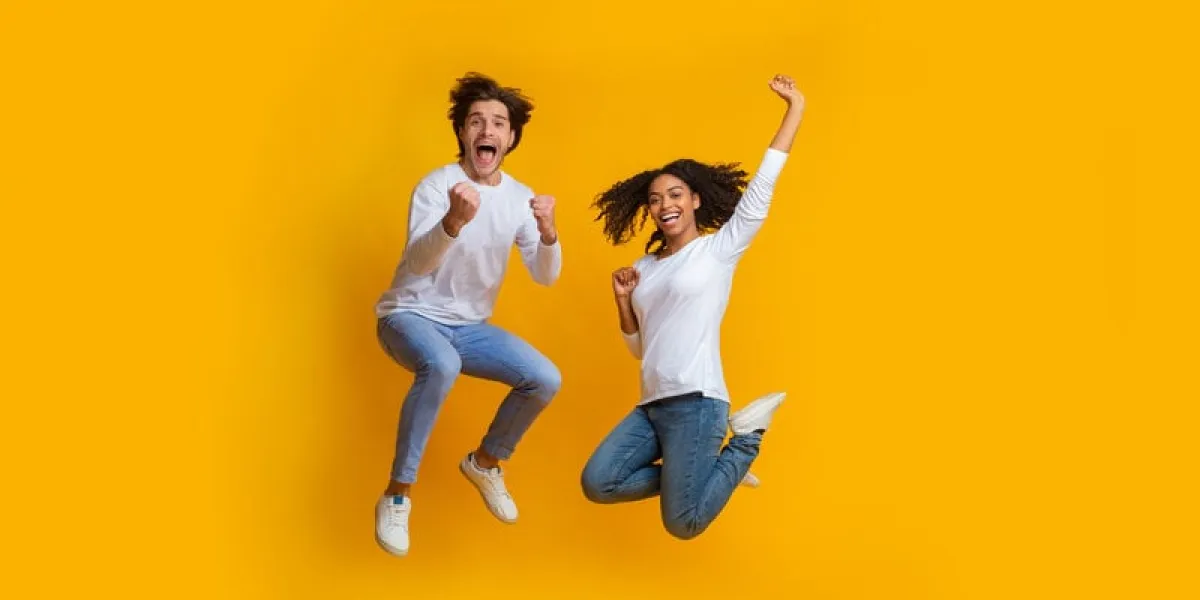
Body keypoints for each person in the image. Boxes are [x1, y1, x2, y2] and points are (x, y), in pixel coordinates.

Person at [580, 74, 805, 540]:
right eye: (656, 199)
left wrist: (794, 109)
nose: (665, 204)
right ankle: (713, 472)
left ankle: (743, 443)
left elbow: (760, 192)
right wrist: (622, 301)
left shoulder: (717, 250)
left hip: (699, 402)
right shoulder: (644, 266)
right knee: (599, 483)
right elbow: (639, 349)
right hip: (651, 405)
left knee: (682, 523)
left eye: (676, 194)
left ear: (696, 200)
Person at [372, 72, 564, 557]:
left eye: (498, 123)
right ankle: (398, 494)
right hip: (408, 315)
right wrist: (452, 221)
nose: (488, 130)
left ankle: (485, 462)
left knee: (544, 378)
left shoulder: (521, 197)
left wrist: (548, 233)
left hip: (469, 328)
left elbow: (544, 275)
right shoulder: (438, 186)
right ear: (462, 133)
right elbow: (417, 263)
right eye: (476, 121)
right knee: (442, 364)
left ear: (510, 138)